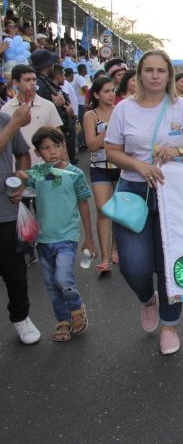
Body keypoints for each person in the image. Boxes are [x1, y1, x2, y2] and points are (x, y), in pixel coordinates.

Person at [104, 49, 183, 355]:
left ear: (169, 74)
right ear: (139, 74)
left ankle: (169, 325)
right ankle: (147, 299)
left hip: (174, 196)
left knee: (170, 265)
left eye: (161, 70)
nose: (155, 76)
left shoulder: (181, 107)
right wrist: (139, 165)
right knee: (134, 266)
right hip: (133, 192)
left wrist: (177, 152)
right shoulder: (124, 109)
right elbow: (111, 150)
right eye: (149, 70)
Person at [18, 126, 94, 342]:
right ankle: (62, 319)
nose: (51, 151)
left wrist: (88, 237)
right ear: (37, 153)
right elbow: (23, 179)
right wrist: (17, 176)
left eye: (56, 146)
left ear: (63, 146)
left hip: (67, 237)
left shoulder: (75, 174)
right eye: (45, 148)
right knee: (51, 284)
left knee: (63, 277)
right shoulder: (39, 173)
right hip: (43, 239)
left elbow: (83, 204)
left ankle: (76, 308)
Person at [0, 94, 38, 344]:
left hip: (5, 211)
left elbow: (23, 153)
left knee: (15, 272)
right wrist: (14, 123)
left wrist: (21, 179)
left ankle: (20, 317)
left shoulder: (4, 119)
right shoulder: (9, 121)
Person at [83, 76, 120, 273]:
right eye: (106, 91)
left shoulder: (120, 111)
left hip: (121, 166)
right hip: (99, 166)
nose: (111, 94)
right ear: (96, 94)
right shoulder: (91, 116)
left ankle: (115, 248)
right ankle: (105, 257)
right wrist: (110, 129)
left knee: (119, 211)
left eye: (113, 90)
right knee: (103, 209)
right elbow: (91, 145)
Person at [1, 64, 62, 164]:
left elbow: (59, 137)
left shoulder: (48, 106)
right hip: (18, 168)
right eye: (27, 80)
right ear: (15, 82)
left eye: (34, 80)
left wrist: (66, 166)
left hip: (46, 167)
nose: (33, 83)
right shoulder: (5, 110)